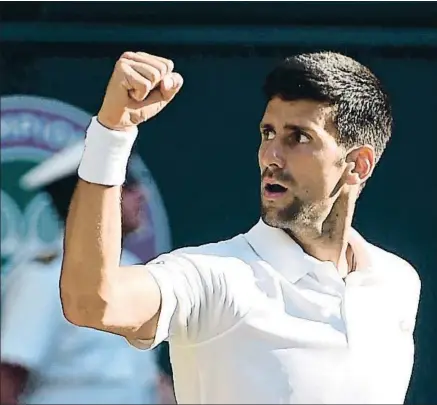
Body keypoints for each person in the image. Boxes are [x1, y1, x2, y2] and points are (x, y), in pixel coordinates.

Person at [60, 51, 421, 404]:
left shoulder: (398, 282)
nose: (271, 156)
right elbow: (95, 301)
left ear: (358, 165)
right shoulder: (215, 279)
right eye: (268, 133)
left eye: (298, 137)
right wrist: (112, 132)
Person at [0, 143, 160, 404]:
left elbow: (145, 378)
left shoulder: (134, 270)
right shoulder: (45, 277)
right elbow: (8, 379)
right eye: (126, 185)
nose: (142, 194)